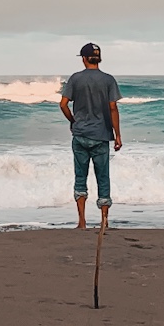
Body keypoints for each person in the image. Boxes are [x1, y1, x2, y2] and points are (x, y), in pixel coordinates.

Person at [59, 42, 123, 230]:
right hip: (101, 135)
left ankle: (82, 222)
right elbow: (113, 107)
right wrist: (117, 135)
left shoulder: (75, 79)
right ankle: (104, 221)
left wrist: (72, 121)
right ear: (98, 58)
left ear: (84, 59)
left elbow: (63, 104)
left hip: (80, 135)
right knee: (103, 177)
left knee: (80, 177)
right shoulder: (108, 80)